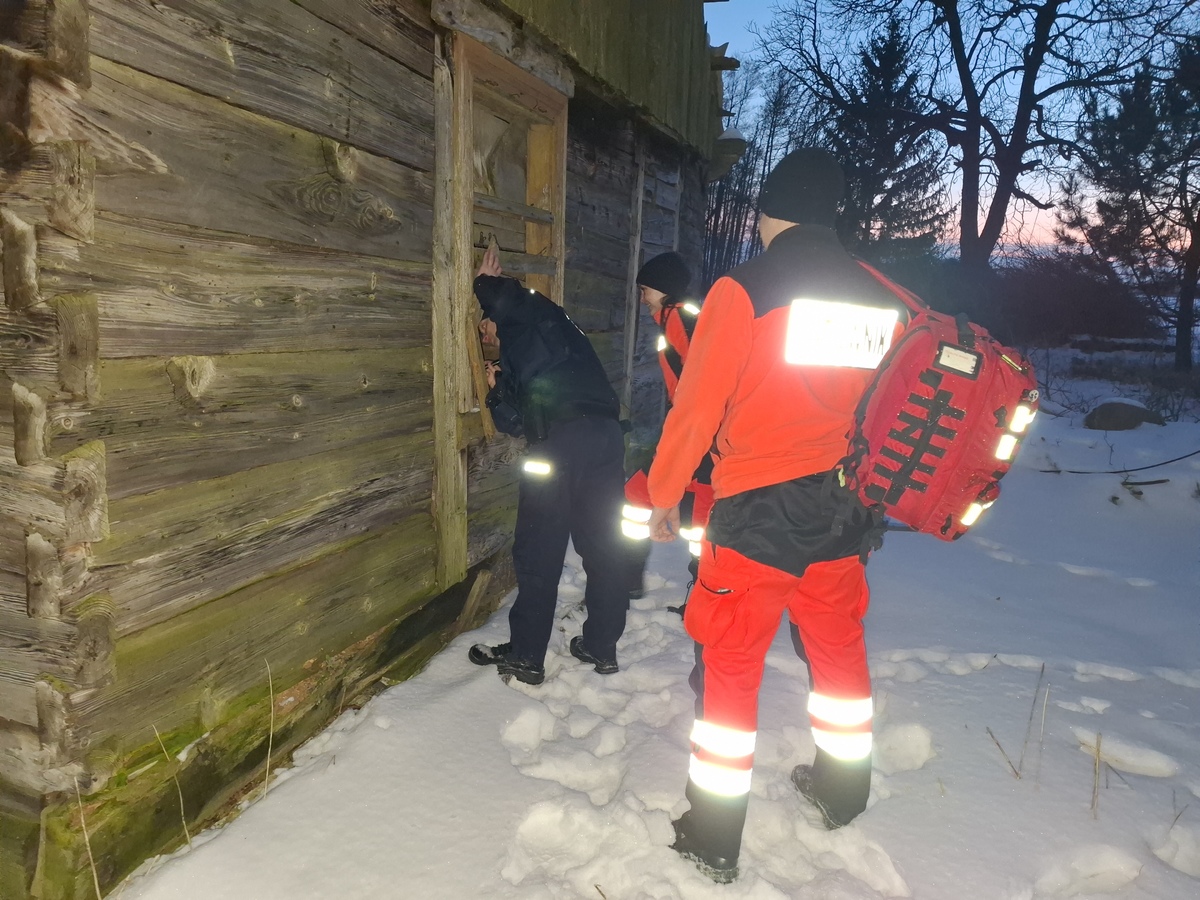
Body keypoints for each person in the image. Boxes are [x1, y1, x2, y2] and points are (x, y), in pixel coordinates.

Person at [644, 148, 910, 882]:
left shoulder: (746, 289)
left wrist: (665, 494)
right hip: (845, 505)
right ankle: (842, 792)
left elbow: (697, 407)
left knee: (731, 661)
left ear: (770, 212)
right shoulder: (882, 298)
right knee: (837, 645)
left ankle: (713, 834)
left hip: (759, 507)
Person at [468, 245, 629, 686]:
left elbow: (510, 301)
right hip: (606, 438)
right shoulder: (559, 335)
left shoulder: (528, 315)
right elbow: (520, 418)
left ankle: (527, 656)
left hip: (559, 446)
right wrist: (500, 387)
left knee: (538, 549)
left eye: (486, 327)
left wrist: (485, 283)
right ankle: (601, 646)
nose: (487, 336)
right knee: (602, 546)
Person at [619, 252, 714, 608]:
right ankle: (631, 580)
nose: (642, 297)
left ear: (664, 289)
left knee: (695, 518)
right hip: (692, 435)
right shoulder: (678, 317)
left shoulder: (680, 317)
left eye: (645, 289)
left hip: (697, 439)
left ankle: (702, 597)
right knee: (696, 518)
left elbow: (703, 380)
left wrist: (687, 434)